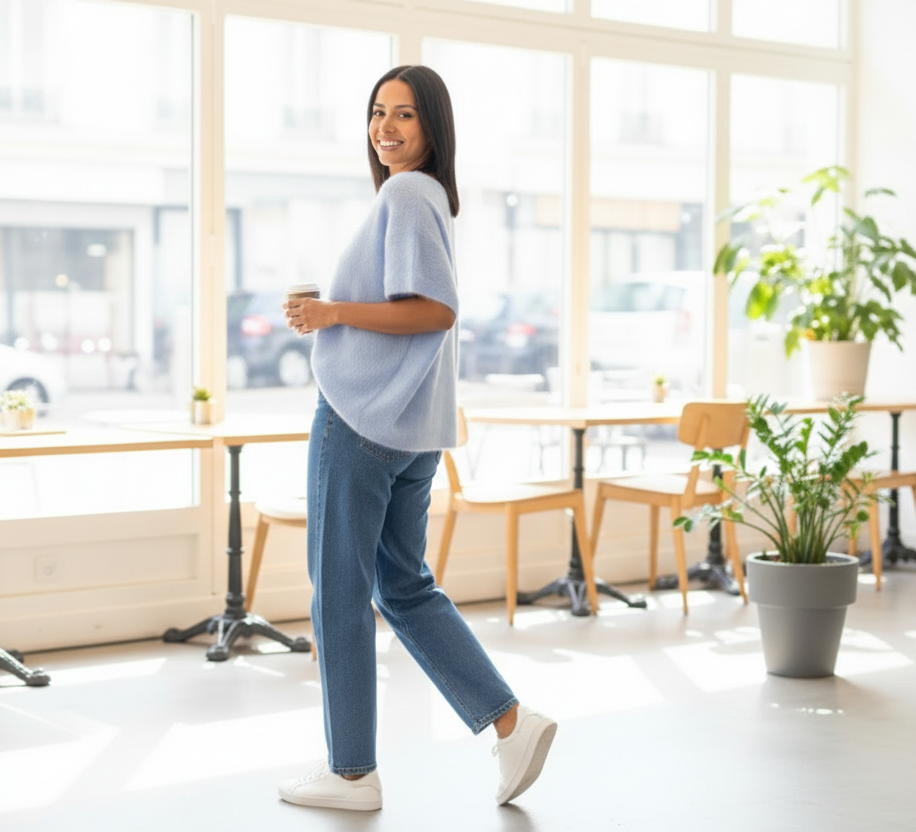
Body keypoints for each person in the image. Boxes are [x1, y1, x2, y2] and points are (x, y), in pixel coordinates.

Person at [277, 64, 556, 812]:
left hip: (362, 421)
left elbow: (433, 311)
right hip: (410, 432)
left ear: (432, 126)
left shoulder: (405, 193)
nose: (386, 127)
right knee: (402, 586)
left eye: (404, 114)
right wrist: (333, 308)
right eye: (377, 112)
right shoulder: (427, 198)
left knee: (339, 593)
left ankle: (352, 774)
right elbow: (422, 309)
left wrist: (331, 314)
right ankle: (510, 722)